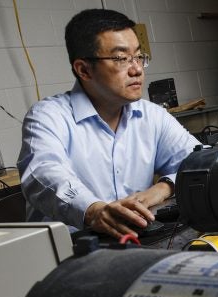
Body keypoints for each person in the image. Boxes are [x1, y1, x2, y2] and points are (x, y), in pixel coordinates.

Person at [18, 9, 201, 238]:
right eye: (121, 59)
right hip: (70, 252)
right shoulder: (48, 117)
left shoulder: (152, 115)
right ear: (84, 70)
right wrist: (94, 211)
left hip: (134, 244)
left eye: (138, 57)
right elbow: (44, 175)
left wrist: (164, 187)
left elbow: (199, 163)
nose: (136, 69)